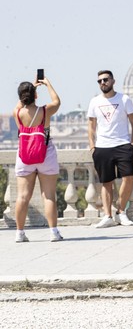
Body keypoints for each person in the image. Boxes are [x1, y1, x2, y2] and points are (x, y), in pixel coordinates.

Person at [13, 77, 63, 243]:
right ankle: (53, 232)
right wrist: (47, 84)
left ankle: (19, 233)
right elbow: (57, 101)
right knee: (48, 196)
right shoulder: (45, 111)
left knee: (22, 197)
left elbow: (20, 105)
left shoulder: (17, 113)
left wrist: (30, 89)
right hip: (45, 154)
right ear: (36, 96)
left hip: (24, 156)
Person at [88, 70, 133, 228]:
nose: (102, 83)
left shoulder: (124, 99)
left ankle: (121, 211)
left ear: (113, 81)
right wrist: (92, 146)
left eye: (105, 80)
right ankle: (108, 215)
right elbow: (91, 126)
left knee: (128, 178)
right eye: (100, 81)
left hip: (123, 144)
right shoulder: (94, 101)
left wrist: (132, 144)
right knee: (106, 182)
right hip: (102, 146)